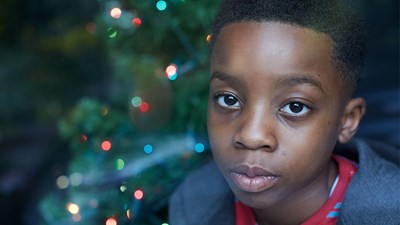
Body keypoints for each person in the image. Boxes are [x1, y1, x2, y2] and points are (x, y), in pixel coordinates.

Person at [169, 0, 400, 224]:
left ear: (347, 121)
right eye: (229, 99)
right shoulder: (192, 205)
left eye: (295, 107)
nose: (251, 136)